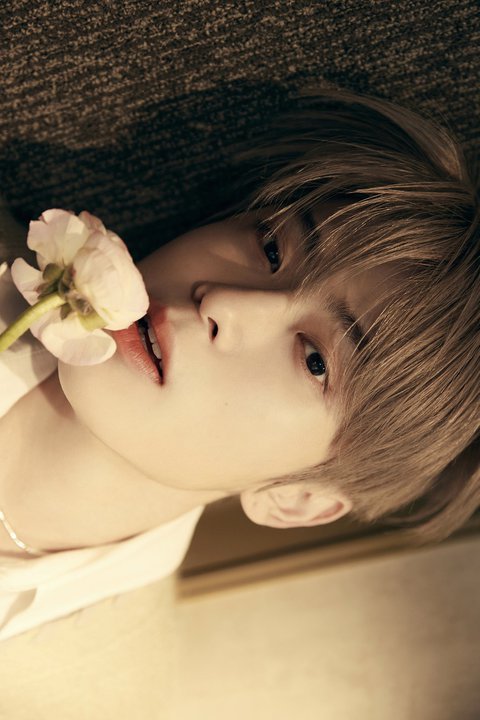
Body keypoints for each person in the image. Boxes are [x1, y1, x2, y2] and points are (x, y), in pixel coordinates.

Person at [0, 87, 478, 639]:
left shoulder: (106, 620)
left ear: (299, 500)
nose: (225, 302)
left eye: (315, 360)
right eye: (272, 249)